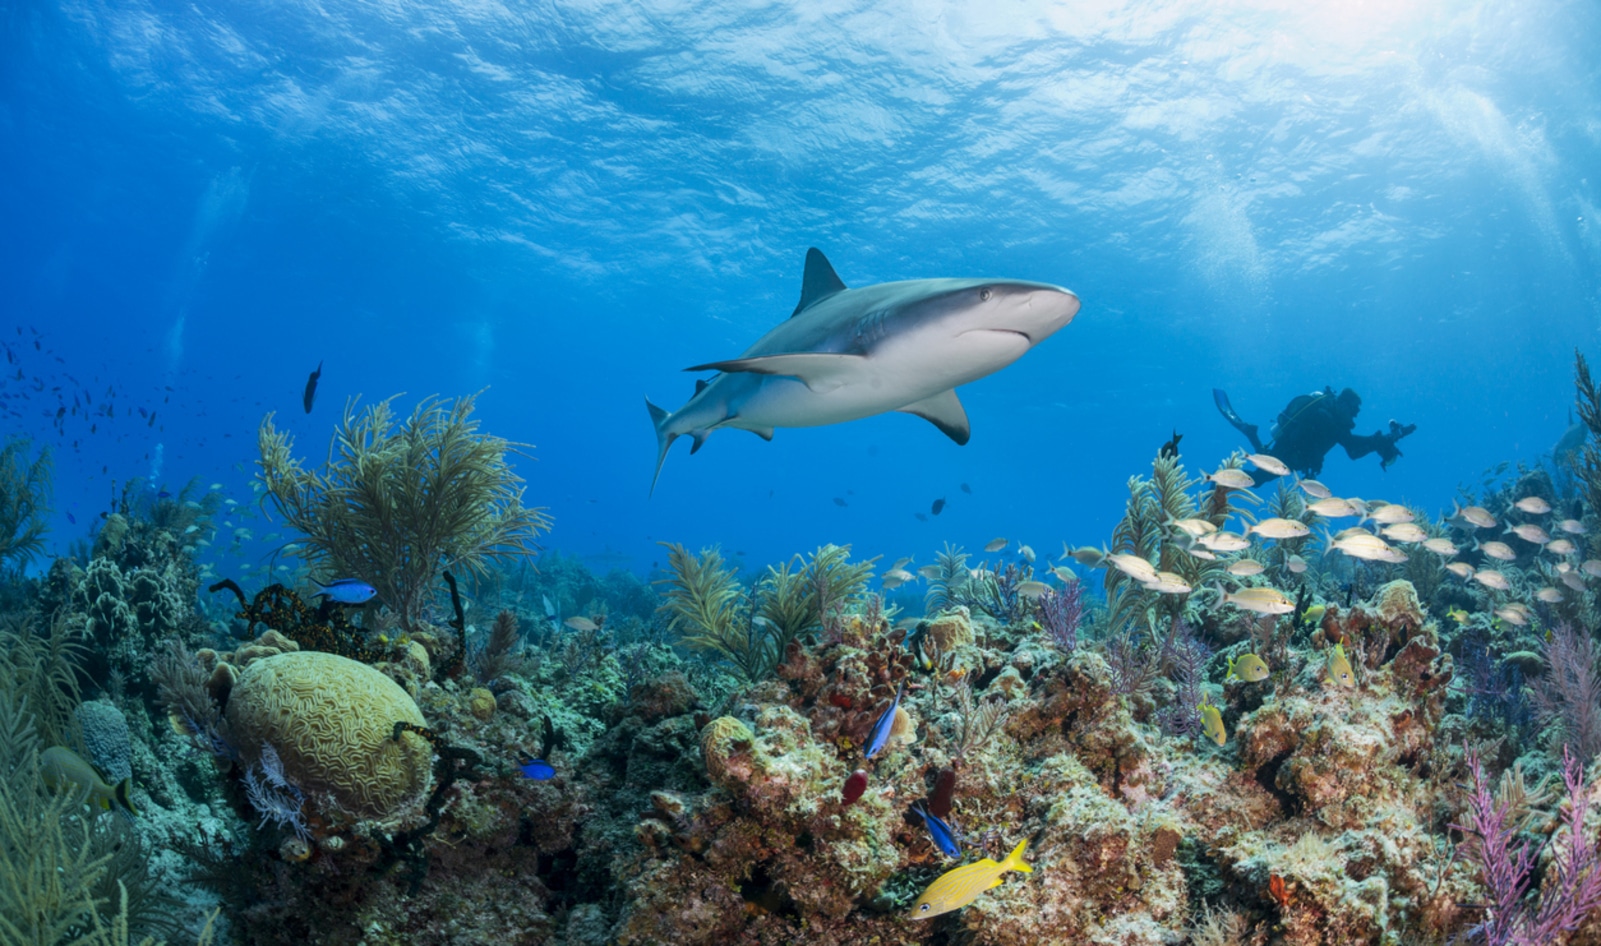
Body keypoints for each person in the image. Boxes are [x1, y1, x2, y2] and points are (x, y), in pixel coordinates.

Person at [1213, 387, 1415, 484]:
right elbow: (1351, 446)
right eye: (1353, 410)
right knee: (1257, 480)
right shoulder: (1324, 416)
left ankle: (1250, 437)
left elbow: (1353, 449)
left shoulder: (1335, 422)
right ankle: (1221, 479)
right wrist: (1380, 441)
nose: (1354, 415)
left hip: (1297, 457)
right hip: (1290, 453)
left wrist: (1381, 442)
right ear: (1343, 403)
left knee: (1259, 477)